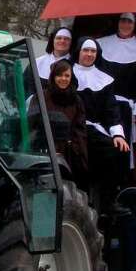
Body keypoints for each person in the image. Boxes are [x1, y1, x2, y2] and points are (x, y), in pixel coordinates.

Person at [74, 39, 131, 217]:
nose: (89, 54)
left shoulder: (103, 78)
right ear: (79, 52)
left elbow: (111, 110)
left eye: (93, 51)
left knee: (118, 149)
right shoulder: (68, 73)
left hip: (94, 128)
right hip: (73, 127)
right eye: (86, 50)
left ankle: (108, 201)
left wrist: (118, 135)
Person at [97, 12, 136, 176]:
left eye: (129, 22)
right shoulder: (102, 44)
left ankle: (124, 179)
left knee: (125, 145)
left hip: (127, 107)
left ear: (135, 26)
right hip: (104, 104)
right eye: (123, 21)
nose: (125, 25)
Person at [36, 59, 89, 189]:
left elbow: (80, 128)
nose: (63, 79)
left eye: (67, 75)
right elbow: (35, 125)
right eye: (59, 75)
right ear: (53, 77)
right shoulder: (42, 97)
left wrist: (72, 147)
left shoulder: (76, 100)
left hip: (70, 151)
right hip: (45, 150)